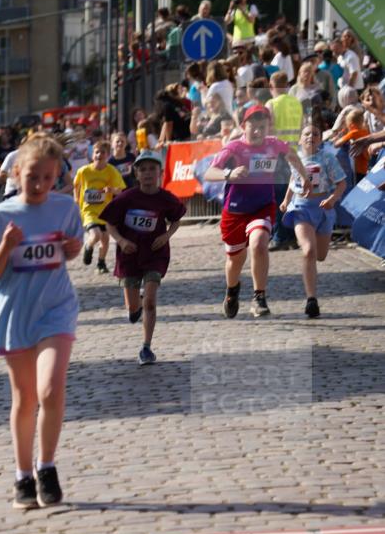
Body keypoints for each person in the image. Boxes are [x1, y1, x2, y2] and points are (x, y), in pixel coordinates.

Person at [0, 133, 83, 510]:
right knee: (24, 399)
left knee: (50, 390)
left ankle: (46, 466)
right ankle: (23, 475)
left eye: (48, 178)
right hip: (15, 313)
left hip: (56, 308)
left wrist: (73, 248)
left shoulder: (65, 208)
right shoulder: (0, 216)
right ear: (17, 172)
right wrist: (7, 246)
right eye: (32, 177)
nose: (39, 185)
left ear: (57, 176)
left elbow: (70, 249)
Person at [204, 105, 312, 319]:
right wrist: (229, 173)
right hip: (235, 211)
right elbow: (209, 172)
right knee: (235, 260)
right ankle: (232, 291)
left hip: (262, 206)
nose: (257, 132)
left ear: (268, 127)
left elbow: (292, 155)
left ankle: (259, 297)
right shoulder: (233, 147)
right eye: (253, 127)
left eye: (262, 127)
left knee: (259, 244)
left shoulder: (273, 144)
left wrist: (304, 177)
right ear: (243, 126)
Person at [102, 149, 185, 367]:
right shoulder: (126, 198)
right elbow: (109, 223)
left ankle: (146, 347)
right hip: (129, 256)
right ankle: (135, 305)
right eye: (143, 169)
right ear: (136, 174)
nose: (148, 173)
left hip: (155, 255)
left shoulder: (166, 199)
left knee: (150, 301)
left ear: (160, 173)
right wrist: (121, 241)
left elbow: (176, 219)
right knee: (133, 309)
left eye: (152, 169)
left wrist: (166, 236)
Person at [279, 124, 346, 318]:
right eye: (306, 134)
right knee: (308, 250)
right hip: (301, 208)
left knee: (320, 256)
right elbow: (293, 180)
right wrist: (286, 201)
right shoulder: (296, 157)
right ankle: (311, 300)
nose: (311, 137)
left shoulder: (328, 158)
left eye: (315, 134)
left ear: (320, 139)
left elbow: (341, 183)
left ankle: (312, 268)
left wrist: (332, 199)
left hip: (323, 208)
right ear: (300, 139)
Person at [73, 140, 125, 275]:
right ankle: (88, 245)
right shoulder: (84, 171)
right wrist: (76, 199)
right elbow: (76, 185)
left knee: (105, 239)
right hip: (89, 210)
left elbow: (120, 190)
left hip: (105, 211)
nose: (99, 155)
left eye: (103, 152)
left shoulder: (111, 171)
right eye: (96, 152)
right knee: (96, 235)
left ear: (107, 155)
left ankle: (101, 263)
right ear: (92, 155)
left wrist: (111, 190)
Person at [266, 70, 304, 251]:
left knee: (278, 195)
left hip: (277, 154)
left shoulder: (271, 103)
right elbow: (302, 127)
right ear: (287, 86)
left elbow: (268, 129)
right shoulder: (296, 103)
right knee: (292, 194)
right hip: (295, 152)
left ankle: (280, 237)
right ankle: (292, 236)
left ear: (271, 86)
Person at [335, 108, 370, 177]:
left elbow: (337, 144)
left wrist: (339, 137)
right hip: (364, 165)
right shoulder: (365, 132)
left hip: (356, 167)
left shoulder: (353, 133)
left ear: (351, 125)